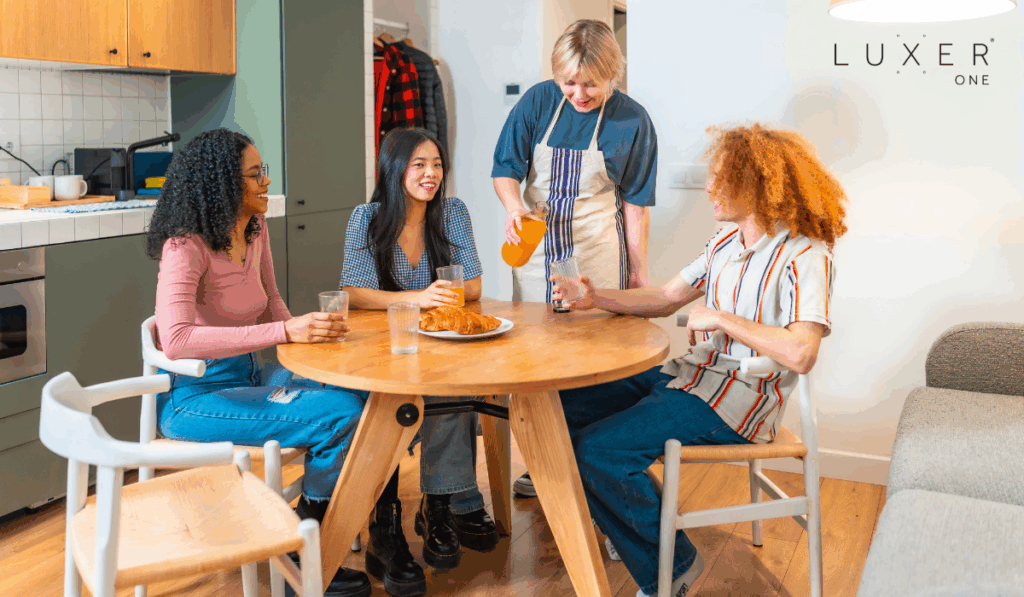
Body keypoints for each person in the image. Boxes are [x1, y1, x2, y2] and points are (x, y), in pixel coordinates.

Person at [551, 123, 847, 597]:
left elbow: (801, 352)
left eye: (720, 178)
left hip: (740, 404)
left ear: (757, 184)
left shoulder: (806, 255)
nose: (708, 187)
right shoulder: (725, 243)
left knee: (599, 450)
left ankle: (675, 568)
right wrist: (594, 297)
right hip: (691, 380)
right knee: (562, 405)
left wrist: (723, 319)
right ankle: (632, 517)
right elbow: (667, 299)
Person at [146, 128, 372, 597]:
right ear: (224, 184)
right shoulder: (184, 246)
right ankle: (302, 544)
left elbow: (271, 299)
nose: (266, 181)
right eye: (255, 174)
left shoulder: (254, 226)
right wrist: (285, 333)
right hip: (197, 396)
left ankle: (306, 527)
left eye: (263, 170)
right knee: (340, 414)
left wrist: (310, 349)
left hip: (253, 376)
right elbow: (176, 339)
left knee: (361, 394)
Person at [492, 19, 658, 498]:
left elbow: (635, 202)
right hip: (536, 247)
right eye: (570, 81)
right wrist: (515, 207)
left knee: (592, 362)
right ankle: (543, 462)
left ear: (613, 73)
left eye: (591, 83)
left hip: (595, 248)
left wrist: (638, 271)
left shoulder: (632, 120)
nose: (579, 93)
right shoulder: (538, 102)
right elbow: (505, 168)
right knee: (536, 357)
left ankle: (592, 469)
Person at [341, 128, 499, 596]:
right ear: (394, 169)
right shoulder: (366, 218)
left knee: (455, 389)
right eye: (419, 165)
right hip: (382, 344)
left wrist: (432, 299)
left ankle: (439, 505)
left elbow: (471, 284)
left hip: (438, 339)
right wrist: (417, 297)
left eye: (436, 164)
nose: (431, 174)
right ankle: (383, 524)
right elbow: (352, 292)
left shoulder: (452, 213)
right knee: (389, 399)